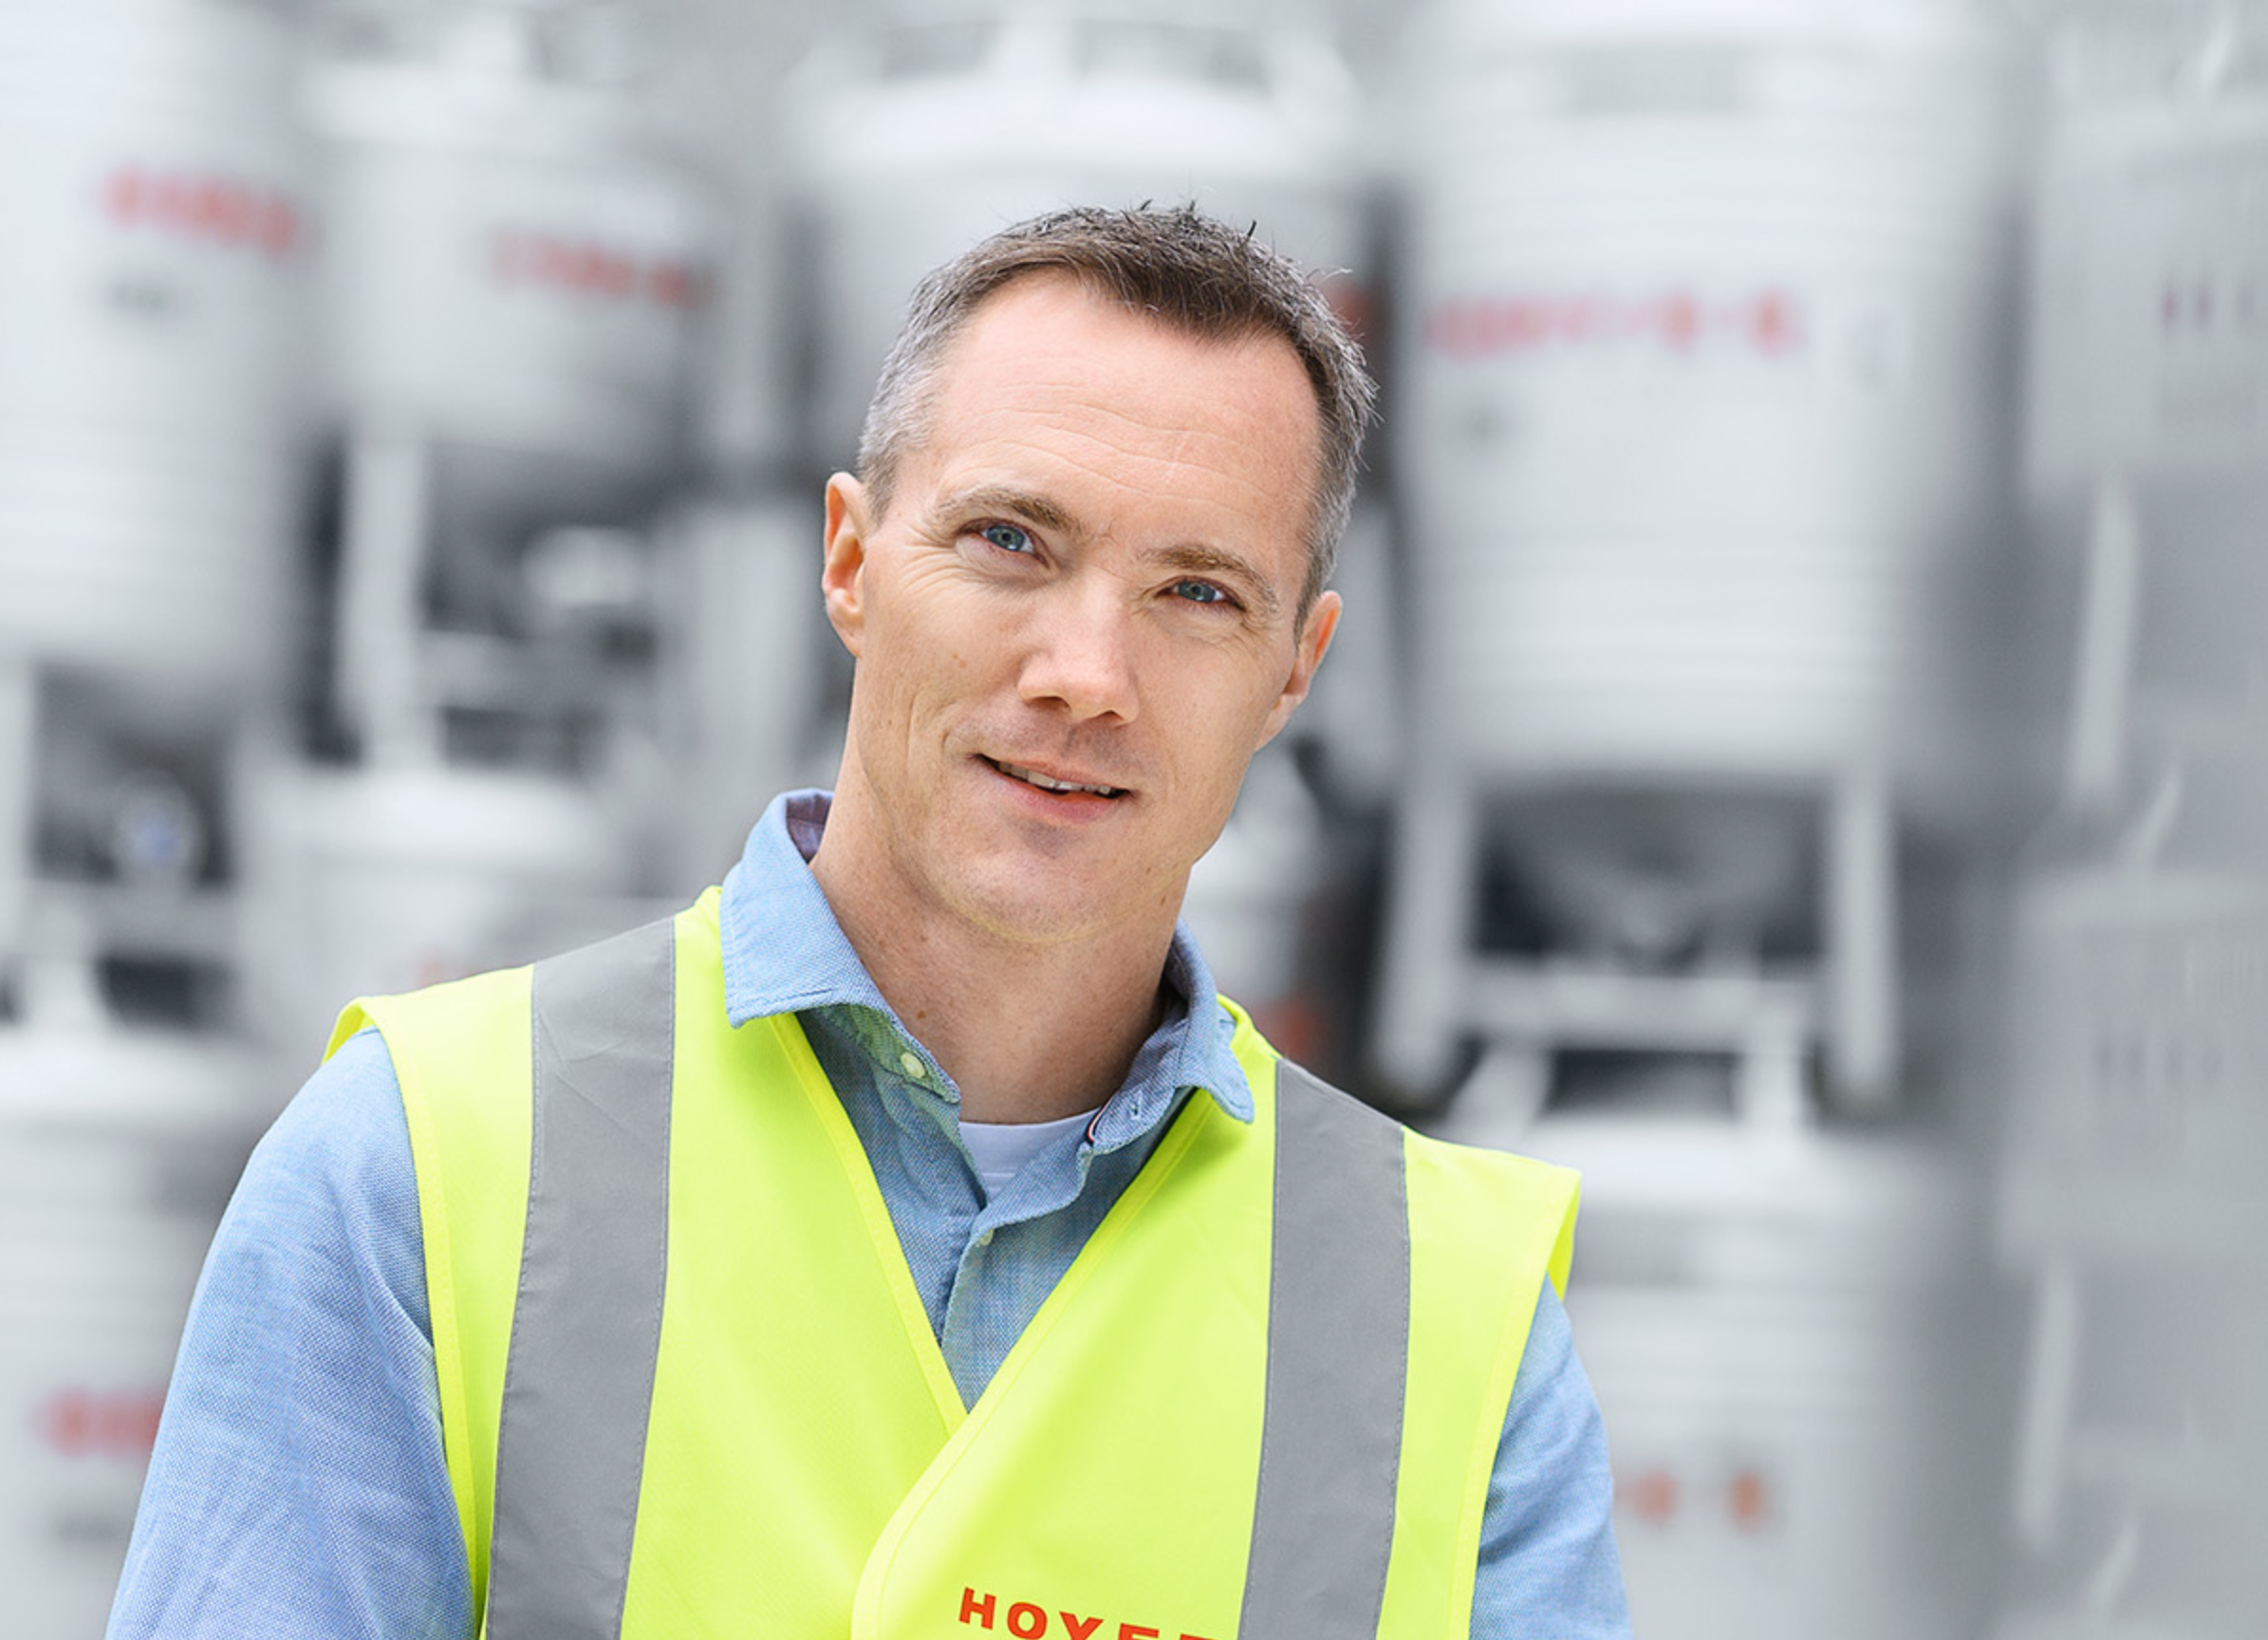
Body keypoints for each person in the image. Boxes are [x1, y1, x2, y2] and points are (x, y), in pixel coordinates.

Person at [107, 206, 1629, 1638]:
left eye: (1199, 594)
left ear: (1296, 671)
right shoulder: (421, 1173)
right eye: (1012, 542)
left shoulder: (1463, 1330)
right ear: (850, 561)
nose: (1086, 674)